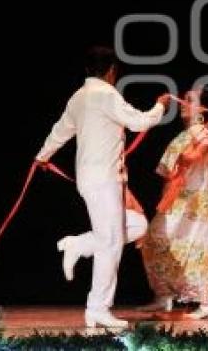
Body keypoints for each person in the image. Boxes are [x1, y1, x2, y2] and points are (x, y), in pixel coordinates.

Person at [35, 46, 170, 328]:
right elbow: (139, 122)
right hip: (103, 179)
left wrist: (43, 155)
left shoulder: (79, 97)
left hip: (92, 179)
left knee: (136, 226)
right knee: (110, 243)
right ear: (111, 71)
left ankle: (79, 245)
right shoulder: (106, 95)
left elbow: (60, 130)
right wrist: (160, 106)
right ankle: (97, 307)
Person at [140, 87, 208, 320]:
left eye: (189, 100)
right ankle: (164, 295)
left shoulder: (201, 131)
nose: (183, 103)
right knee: (154, 239)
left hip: (196, 201)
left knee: (197, 247)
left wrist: (192, 153)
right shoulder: (184, 135)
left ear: (202, 110)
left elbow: (207, 144)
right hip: (178, 201)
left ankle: (207, 303)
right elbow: (169, 175)